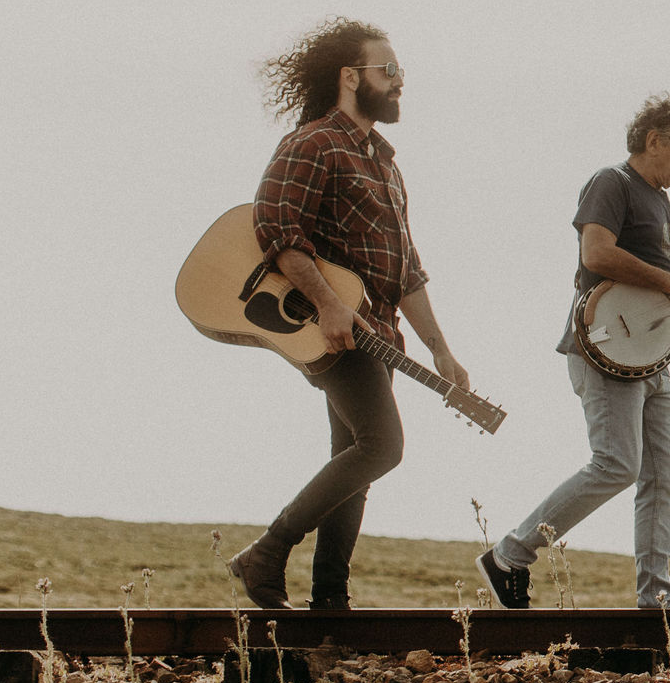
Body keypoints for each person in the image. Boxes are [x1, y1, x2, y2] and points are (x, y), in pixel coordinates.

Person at [228, 18, 474, 610]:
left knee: (355, 461)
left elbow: (407, 270)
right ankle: (267, 551)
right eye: (387, 70)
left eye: (400, 72)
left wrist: (441, 349)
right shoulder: (314, 142)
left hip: (381, 332)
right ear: (350, 76)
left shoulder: (385, 164)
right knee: (381, 447)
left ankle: (330, 600)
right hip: (329, 330)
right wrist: (329, 304)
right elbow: (277, 229)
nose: (399, 82)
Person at [475, 93, 670, 610]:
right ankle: (510, 555)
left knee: (664, 477)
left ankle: (656, 599)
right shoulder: (613, 182)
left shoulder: (663, 204)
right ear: (655, 140)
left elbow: (655, 286)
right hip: (604, 351)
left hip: (651, 361)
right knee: (615, 464)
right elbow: (597, 253)